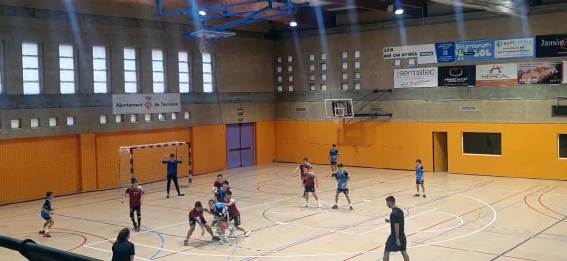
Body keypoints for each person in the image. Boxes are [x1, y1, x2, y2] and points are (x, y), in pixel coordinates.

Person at [384, 196, 409, 261]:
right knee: (404, 252)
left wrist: (397, 239)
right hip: (402, 234)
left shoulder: (393, 214)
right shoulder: (400, 211)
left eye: (387, 203)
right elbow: (399, 222)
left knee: (386, 252)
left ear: (390, 202)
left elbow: (396, 226)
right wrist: (390, 221)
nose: (386, 204)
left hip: (394, 236)